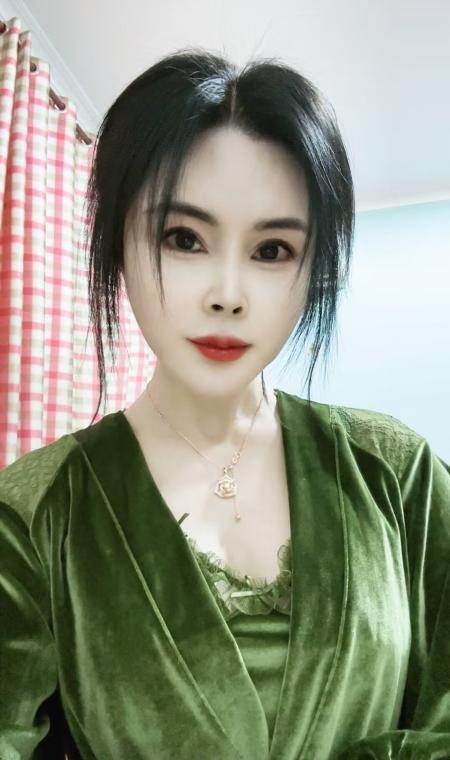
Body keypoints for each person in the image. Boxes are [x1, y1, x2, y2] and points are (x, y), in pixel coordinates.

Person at [0, 48, 449, 760]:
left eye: (272, 250)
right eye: (184, 239)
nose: (228, 294)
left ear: (314, 268)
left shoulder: (397, 474)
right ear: (118, 241)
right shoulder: (35, 512)